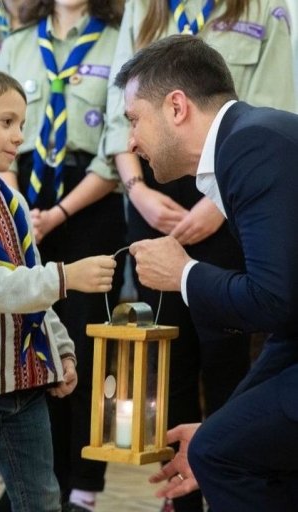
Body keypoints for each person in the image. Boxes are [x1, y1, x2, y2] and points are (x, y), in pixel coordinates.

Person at [104, 2, 295, 510]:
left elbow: (274, 302)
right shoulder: (249, 137)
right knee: (220, 442)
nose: (130, 141)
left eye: (134, 120)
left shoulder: (250, 147)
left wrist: (184, 274)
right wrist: (223, 420)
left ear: (177, 107)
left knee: (217, 454)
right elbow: (289, 324)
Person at [0, 63, 116, 512]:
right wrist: (64, 276)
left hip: (28, 382)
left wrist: (62, 352)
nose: (19, 136)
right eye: (6, 122)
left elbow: (30, 282)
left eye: (22, 123)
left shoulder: (12, 201)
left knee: (42, 499)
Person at [0, 2, 126, 511]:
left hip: (89, 202)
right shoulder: (19, 42)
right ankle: (38, 479)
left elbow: (116, 145)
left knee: (85, 348)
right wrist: (18, 206)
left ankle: (84, 486)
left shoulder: (118, 39)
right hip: (22, 195)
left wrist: (59, 214)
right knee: (32, 342)